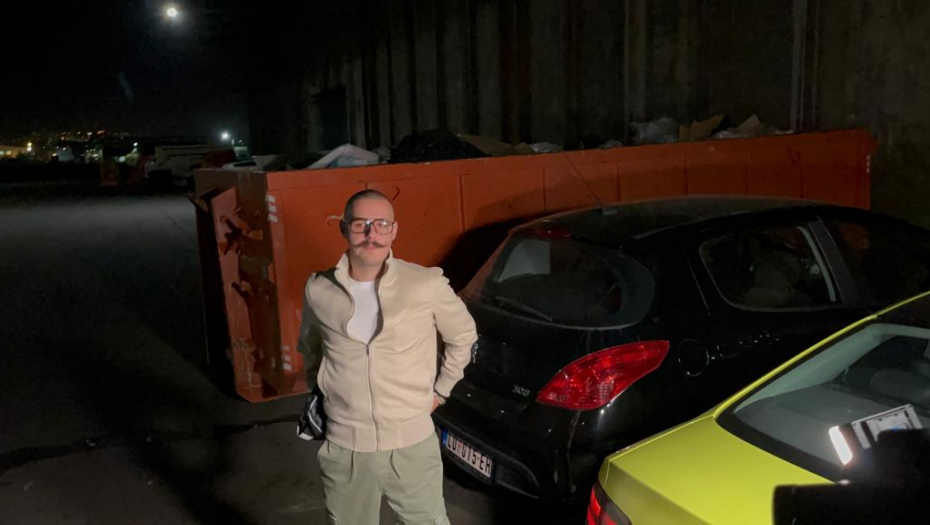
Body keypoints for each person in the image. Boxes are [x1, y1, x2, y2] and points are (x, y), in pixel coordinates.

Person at [298, 189, 477, 525]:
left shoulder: (424, 283)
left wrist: (440, 392)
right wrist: (326, 393)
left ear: (394, 230)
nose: (372, 234)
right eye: (360, 224)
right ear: (344, 229)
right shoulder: (318, 289)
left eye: (382, 224)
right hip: (346, 449)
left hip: (412, 445)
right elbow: (310, 348)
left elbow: (463, 336)